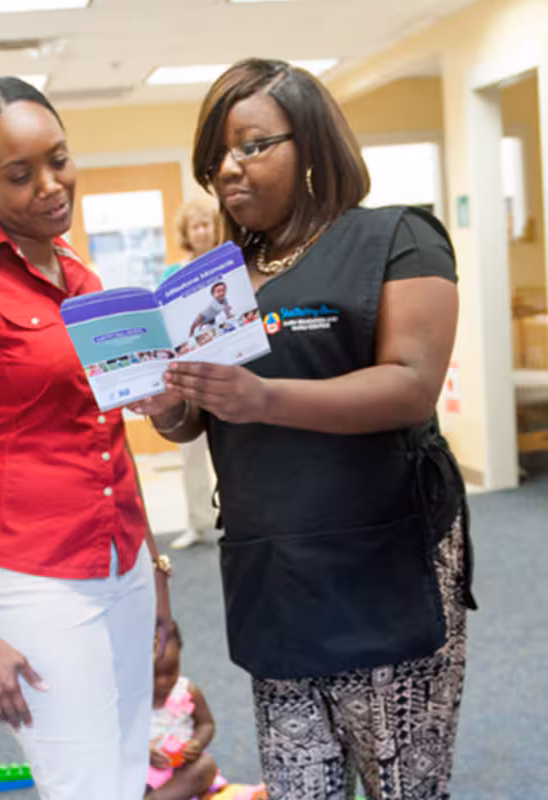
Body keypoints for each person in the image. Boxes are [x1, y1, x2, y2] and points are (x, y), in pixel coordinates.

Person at [131, 59, 475, 800]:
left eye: (252, 145)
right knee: (299, 790)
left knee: (403, 788)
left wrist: (265, 399)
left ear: (312, 144)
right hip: (273, 577)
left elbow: (411, 386)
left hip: (382, 566)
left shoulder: (397, 238)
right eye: (216, 156)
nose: (228, 169)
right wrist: (167, 406)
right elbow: (197, 416)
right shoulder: (215, 279)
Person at [0, 76, 172, 800]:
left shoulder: (84, 279)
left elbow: (110, 430)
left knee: (124, 767)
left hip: (121, 564)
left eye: (59, 159)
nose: (51, 186)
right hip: (33, 579)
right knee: (82, 783)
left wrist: (156, 569)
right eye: (20, 175)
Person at [146, 622, 267, 800]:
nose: (163, 682)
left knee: (206, 766)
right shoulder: (132, 703)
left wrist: (196, 744)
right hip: (148, 772)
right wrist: (145, 752)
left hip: (182, 770)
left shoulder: (187, 691)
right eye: (154, 675)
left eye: (170, 672)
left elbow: (206, 724)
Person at [163, 197, 220, 550]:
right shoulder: (173, 275)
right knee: (192, 456)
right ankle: (198, 524)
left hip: (230, 372)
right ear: (186, 232)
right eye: (194, 225)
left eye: (206, 224)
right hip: (190, 375)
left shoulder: (230, 267)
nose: (201, 230)